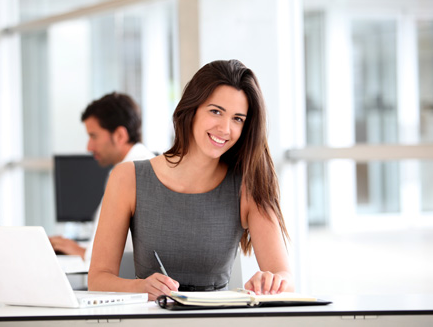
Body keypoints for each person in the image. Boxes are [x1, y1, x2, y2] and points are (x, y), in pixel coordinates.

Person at [88, 60, 293, 301]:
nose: (225, 128)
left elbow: (285, 278)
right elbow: (98, 279)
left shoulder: (248, 185)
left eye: (238, 119)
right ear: (192, 109)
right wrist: (142, 288)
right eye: (215, 111)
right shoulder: (127, 178)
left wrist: (272, 281)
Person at [49, 92, 155, 264]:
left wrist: (78, 250)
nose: (89, 146)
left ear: (120, 135)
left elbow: (109, 256)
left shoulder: (132, 173)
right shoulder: (136, 166)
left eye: (93, 136)